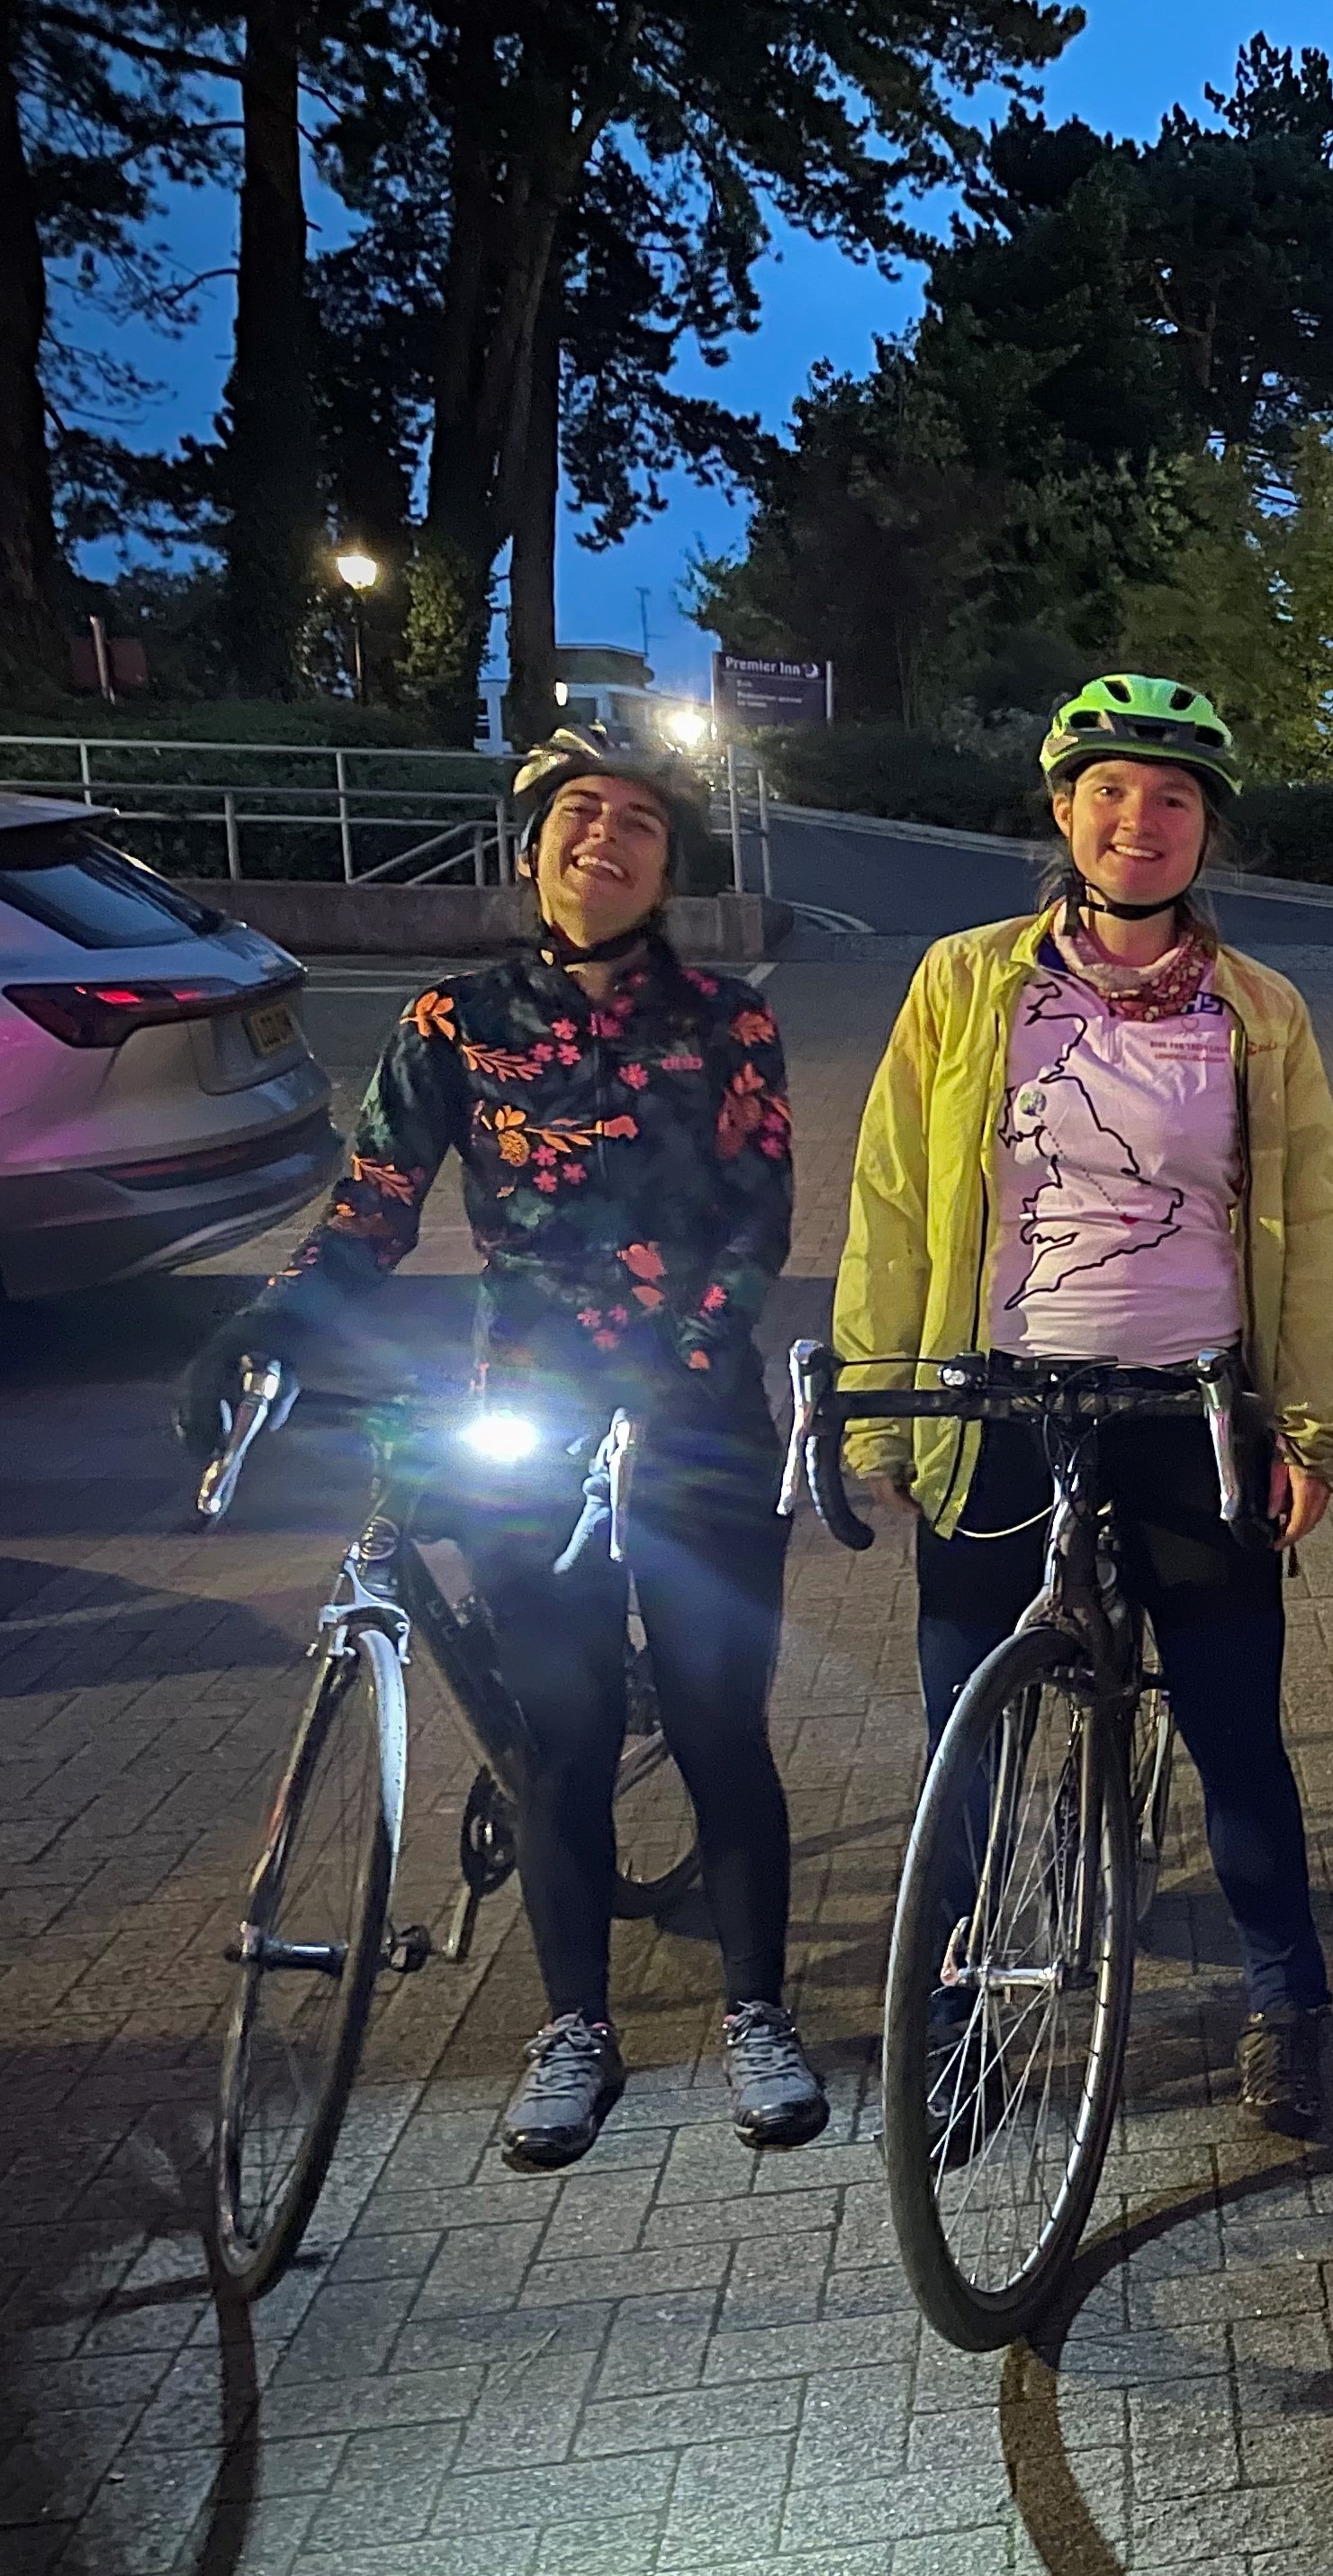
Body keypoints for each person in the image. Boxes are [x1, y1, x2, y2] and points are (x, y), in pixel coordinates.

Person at [176, 729, 817, 2170]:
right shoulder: (453, 1022)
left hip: (695, 1425)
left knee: (719, 1727)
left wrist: (681, 1360)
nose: (607, 838)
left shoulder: (727, 1019)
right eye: (580, 814)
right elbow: (373, 1207)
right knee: (564, 1738)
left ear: (670, 867)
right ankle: (574, 2026)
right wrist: (273, 1328)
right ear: (532, 849)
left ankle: (758, 2013)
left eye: (641, 822)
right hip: (527, 1412)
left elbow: (756, 1219)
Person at [833, 673, 1333, 2141]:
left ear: (1208, 829)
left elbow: (1312, 1225)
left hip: (1188, 1408)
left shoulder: (1261, 1011)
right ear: (1064, 812)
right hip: (999, 1400)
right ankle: (955, 2015)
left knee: (1233, 1725)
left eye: (1174, 796)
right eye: (1112, 791)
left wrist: (1312, 1427)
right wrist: (879, 1407)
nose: (1142, 819)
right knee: (966, 1735)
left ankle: (1286, 2000)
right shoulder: (964, 983)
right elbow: (890, 1200)